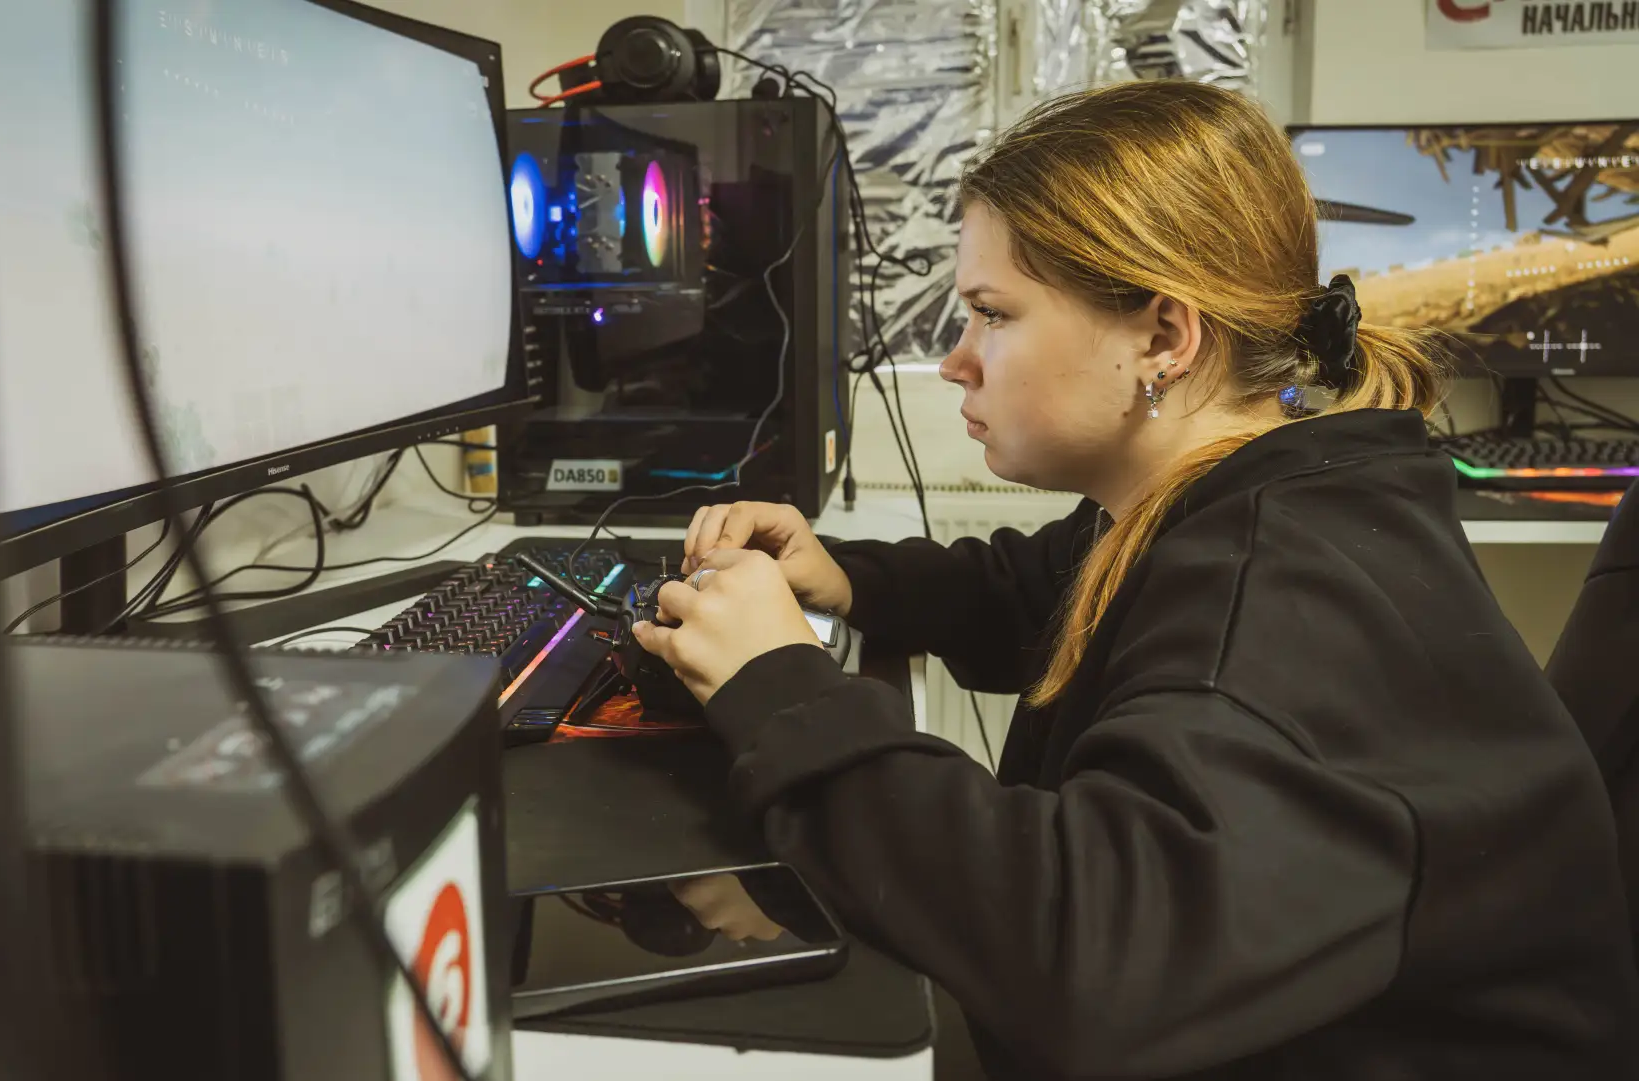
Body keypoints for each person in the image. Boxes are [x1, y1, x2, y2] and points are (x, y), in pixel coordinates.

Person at [629, 80, 1639, 1078]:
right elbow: (1040, 586)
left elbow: (1093, 962)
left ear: (1163, 337)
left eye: (991, 314)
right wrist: (846, 578)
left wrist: (782, 687)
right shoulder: (1239, 489)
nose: (958, 361)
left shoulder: (1283, 595)